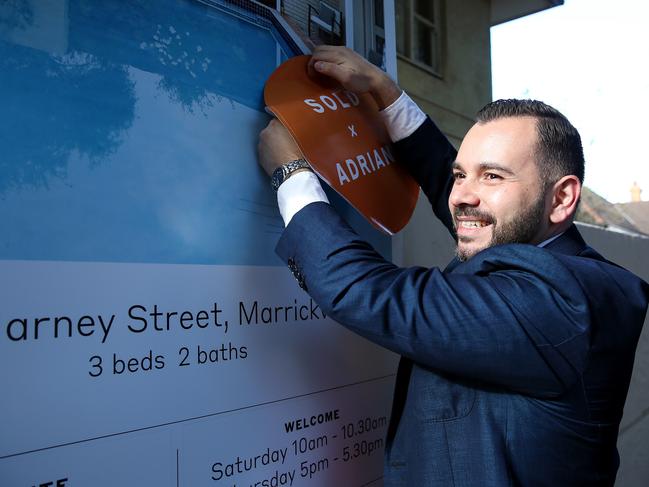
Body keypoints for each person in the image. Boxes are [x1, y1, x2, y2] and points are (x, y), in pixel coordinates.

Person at [257, 46, 648, 486]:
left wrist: (291, 175)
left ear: (561, 198)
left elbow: (365, 291)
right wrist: (385, 93)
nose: (461, 194)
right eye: (464, 174)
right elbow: (467, 195)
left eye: (493, 176)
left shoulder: (562, 302)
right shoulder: (539, 246)